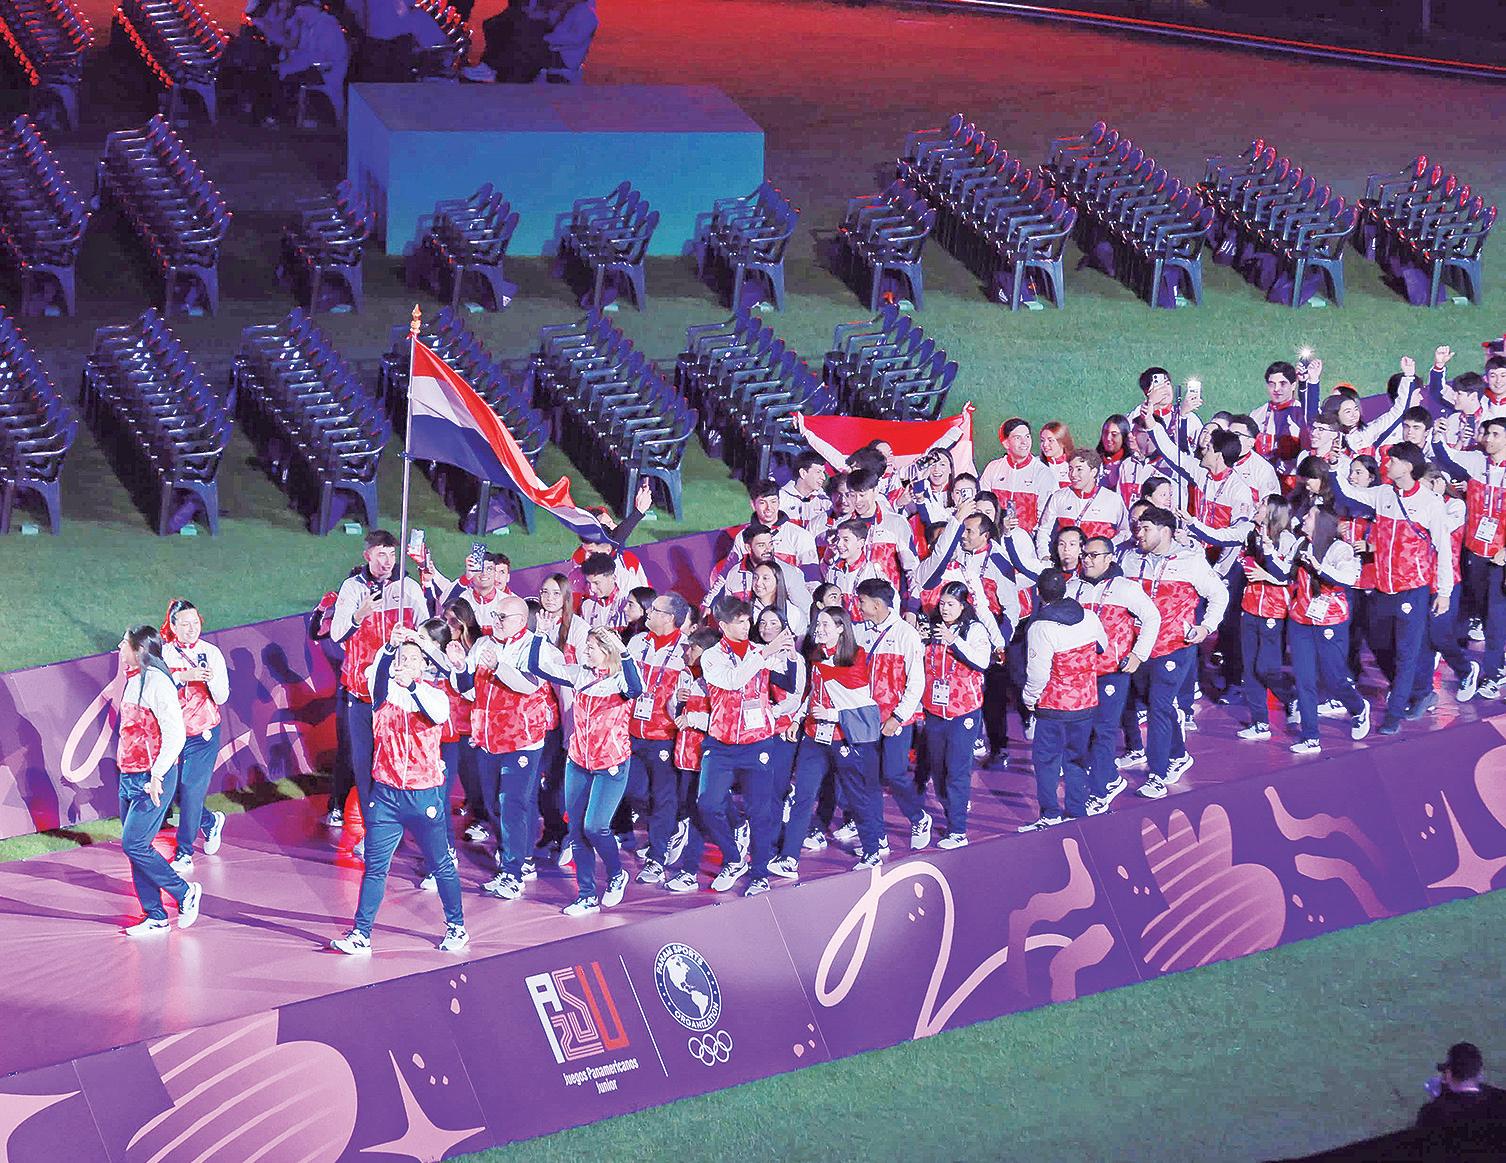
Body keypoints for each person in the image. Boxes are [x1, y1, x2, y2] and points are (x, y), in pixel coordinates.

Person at [331, 626, 468, 954]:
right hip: (387, 795)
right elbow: (377, 674)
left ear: (424, 665)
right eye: (402, 658)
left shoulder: (435, 696)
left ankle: (457, 927)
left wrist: (414, 686)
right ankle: (361, 934)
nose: (406, 663)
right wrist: (389, 649)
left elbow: (435, 714)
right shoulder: (383, 692)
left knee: (441, 864)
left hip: (424, 795)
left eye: (413, 659)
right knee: (375, 867)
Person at [1330, 441, 1455, 734]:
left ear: (1407, 467)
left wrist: (1444, 591)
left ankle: (1394, 714)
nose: (1385, 465)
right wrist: (1335, 466)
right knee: (1379, 644)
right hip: (1383, 589)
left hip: (1413, 589)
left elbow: (1443, 549)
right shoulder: (1384, 494)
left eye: (1392, 461)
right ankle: (1420, 691)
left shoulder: (1430, 503)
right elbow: (1349, 492)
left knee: (1407, 653)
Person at [1117, 507, 1228, 798]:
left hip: (1174, 646)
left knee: (1158, 707)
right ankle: (1179, 755)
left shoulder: (1190, 561)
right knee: (1156, 705)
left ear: (1165, 531)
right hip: (1139, 648)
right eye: (1138, 528)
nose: (1139, 534)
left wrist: (1205, 627)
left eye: (1146, 529)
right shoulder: (1129, 557)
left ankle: (1156, 775)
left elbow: (1219, 594)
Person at [326, 531, 428, 835]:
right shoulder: (352, 588)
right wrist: (359, 615)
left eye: (392, 555)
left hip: (397, 695)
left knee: (395, 760)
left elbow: (425, 631)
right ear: (367, 555)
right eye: (381, 554)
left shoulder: (407, 587)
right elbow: (336, 633)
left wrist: (412, 641)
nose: (387, 561)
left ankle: (396, 824)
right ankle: (374, 829)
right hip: (361, 694)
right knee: (362, 763)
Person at [116, 625, 201, 936]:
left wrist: (157, 775)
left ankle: (184, 893)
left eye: (124, 643)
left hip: (151, 778)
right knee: (136, 848)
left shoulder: (157, 683)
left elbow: (175, 734)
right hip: (129, 775)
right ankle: (155, 914)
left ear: (139, 650)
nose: (119, 647)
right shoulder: (134, 679)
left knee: (134, 843)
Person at [555, 628, 643, 916]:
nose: (586, 651)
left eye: (592, 647)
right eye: (587, 645)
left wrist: (625, 653)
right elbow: (539, 668)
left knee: (595, 826)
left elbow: (636, 689)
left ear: (608, 651)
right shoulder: (581, 674)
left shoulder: (621, 679)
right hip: (578, 761)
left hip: (611, 765)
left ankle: (616, 874)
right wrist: (540, 635)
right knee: (576, 829)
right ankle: (587, 896)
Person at [1068, 536, 1160, 813]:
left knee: (1104, 730)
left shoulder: (1125, 588)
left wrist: (1139, 654)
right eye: (1084, 555)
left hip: (1112, 672)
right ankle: (1109, 777)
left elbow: (1152, 617)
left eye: (1093, 555)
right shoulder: (1073, 588)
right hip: (1080, 673)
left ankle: (1099, 793)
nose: (1087, 560)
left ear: (1109, 558)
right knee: (1084, 731)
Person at [1020, 568, 1107, 829]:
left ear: (1038, 593)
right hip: (1086, 703)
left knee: (1046, 761)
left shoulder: (1041, 627)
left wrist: (1029, 698)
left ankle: (1050, 814)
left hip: (1054, 706)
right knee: (1077, 759)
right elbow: (1101, 646)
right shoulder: (1089, 617)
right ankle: (1076, 811)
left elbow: (1038, 673)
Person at [1286, 504, 1372, 752]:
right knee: (1304, 679)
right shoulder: (1300, 544)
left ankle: (1358, 707)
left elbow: (1348, 578)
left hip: (1330, 621)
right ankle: (1310, 737)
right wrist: (1269, 554)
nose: (1303, 517)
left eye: (1309, 515)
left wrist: (1319, 566)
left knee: (1334, 678)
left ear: (1322, 522)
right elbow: (1285, 572)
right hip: (1301, 619)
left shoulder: (1340, 549)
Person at [854, 577, 931, 849]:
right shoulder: (861, 632)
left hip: (897, 720)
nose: (858, 607)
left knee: (894, 773)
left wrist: (897, 717)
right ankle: (877, 836)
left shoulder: (906, 635)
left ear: (877, 604)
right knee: (870, 780)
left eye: (862, 602)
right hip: (867, 720)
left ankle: (918, 817)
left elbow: (917, 682)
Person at [918, 581, 992, 848]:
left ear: (963, 606)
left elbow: (982, 662)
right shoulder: (934, 628)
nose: (945, 609)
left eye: (951, 604)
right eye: (942, 604)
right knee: (938, 770)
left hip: (964, 712)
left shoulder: (974, 630)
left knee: (957, 770)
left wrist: (955, 641)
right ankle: (953, 808)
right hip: (935, 710)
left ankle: (958, 830)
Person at [626, 593, 692, 884]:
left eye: (654, 610)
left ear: (669, 618)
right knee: (633, 791)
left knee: (663, 796)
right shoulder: (637, 642)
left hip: (665, 735)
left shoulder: (685, 650)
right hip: (632, 731)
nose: (648, 613)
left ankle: (656, 858)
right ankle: (671, 827)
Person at [160, 599, 228, 874]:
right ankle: (210, 822)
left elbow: (222, 697)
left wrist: (209, 680)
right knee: (175, 790)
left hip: (203, 733)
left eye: (195, 623)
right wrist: (184, 675)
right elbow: (157, 687)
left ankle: (184, 852)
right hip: (173, 733)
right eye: (185, 624)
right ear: (173, 626)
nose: (191, 629)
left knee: (190, 789)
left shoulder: (211, 653)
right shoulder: (164, 653)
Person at [1418, 1043, 1506, 1129]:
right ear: (1480, 1073)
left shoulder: (1433, 1112)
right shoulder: (1501, 1102)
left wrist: (1438, 1101)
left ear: (1448, 1074)